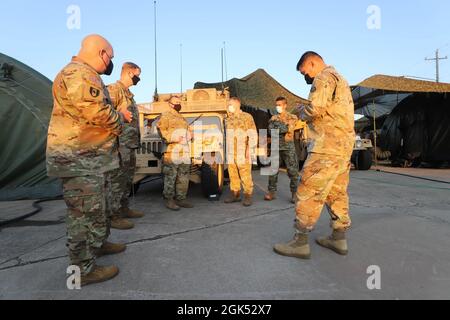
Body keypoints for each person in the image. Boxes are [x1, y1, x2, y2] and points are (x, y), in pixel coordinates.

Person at [47, 34, 133, 286]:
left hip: (92, 159)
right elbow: (97, 112)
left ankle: (98, 245)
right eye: (111, 58)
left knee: (97, 210)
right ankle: (81, 271)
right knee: (83, 217)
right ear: (102, 53)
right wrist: (121, 117)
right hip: (80, 160)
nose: (111, 63)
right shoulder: (79, 74)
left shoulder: (83, 74)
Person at [274, 51, 355, 260]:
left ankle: (300, 242)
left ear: (312, 63)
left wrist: (300, 111)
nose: (306, 77)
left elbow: (315, 109)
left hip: (326, 145)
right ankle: (339, 237)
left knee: (307, 189)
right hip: (342, 146)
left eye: (305, 72)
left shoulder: (323, 77)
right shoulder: (340, 78)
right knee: (335, 193)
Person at [107, 62, 144, 230]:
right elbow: (105, 113)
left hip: (129, 145)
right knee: (117, 181)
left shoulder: (129, 94)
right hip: (119, 145)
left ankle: (124, 208)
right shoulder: (114, 90)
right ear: (129, 73)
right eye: (137, 74)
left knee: (127, 180)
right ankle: (113, 216)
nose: (139, 78)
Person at [157, 95, 194, 211]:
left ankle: (181, 198)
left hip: (184, 151)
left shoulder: (182, 118)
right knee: (170, 176)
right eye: (175, 102)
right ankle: (169, 199)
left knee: (183, 176)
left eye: (179, 102)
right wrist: (175, 138)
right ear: (170, 104)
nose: (178, 104)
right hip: (171, 151)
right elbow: (162, 132)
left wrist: (191, 135)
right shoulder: (165, 116)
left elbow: (189, 131)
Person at [264, 97, 300, 204]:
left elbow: (289, 128)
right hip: (276, 147)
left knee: (293, 171)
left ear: (285, 105)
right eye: (276, 105)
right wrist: (283, 127)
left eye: (279, 104)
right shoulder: (273, 118)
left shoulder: (292, 117)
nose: (277, 107)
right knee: (273, 171)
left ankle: (294, 194)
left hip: (288, 147)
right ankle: (271, 192)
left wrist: (279, 128)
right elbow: (270, 130)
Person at [223, 97, 258, 207]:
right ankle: (235, 194)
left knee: (245, 174)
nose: (229, 106)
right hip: (230, 151)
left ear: (238, 104)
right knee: (232, 174)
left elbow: (252, 134)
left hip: (242, 151)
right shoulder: (227, 119)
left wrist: (249, 149)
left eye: (231, 104)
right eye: (228, 104)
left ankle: (248, 196)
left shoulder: (246, 117)